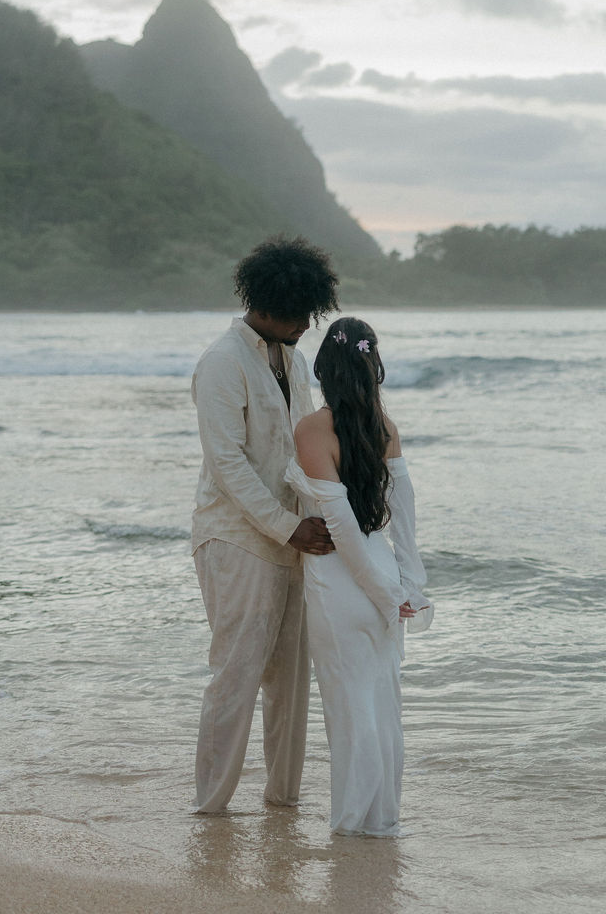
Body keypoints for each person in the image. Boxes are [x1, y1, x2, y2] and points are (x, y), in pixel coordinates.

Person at [191, 235, 339, 814]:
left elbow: (300, 448)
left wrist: (319, 520)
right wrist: (287, 526)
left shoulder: (294, 361)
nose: (305, 325)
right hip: (235, 537)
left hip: (294, 537)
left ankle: (284, 802)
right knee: (236, 674)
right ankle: (210, 807)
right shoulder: (222, 362)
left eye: (310, 314)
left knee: (291, 681)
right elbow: (226, 463)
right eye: (298, 314)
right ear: (268, 304)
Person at [287, 315, 432, 837]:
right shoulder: (385, 427)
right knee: (383, 707)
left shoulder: (311, 430)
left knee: (349, 711)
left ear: (324, 369)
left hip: (340, 581)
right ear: (373, 367)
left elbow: (342, 530)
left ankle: (352, 827)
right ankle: (382, 822)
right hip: (383, 573)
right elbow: (405, 519)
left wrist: (388, 594)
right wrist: (408, 588)